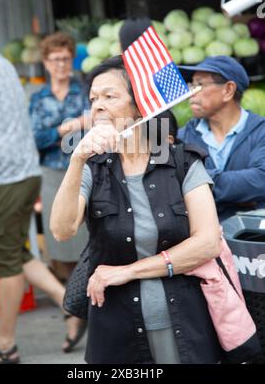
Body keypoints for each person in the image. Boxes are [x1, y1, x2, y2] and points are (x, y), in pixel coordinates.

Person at [50, 55, 226, 364]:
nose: (97, 106)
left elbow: (207, 243)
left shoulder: (183, 162)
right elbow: (62, 230)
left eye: (109, 96)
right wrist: (76, 159)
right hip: (117, 330)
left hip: (186, 322)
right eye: (93, 99)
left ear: (140, 106)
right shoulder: (92, 167)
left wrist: (127, 272)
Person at [0, 13, 74, 364]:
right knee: (13, 249)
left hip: (3, 179)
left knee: (3, 259)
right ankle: (69, 304)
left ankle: (6, 343)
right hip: (19, 174)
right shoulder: (1, 65)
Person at [29, 31, 89, 351]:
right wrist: (67, 127)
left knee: (87, 240)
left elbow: (97, 123)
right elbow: (34, 138)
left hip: (85, 170)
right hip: (52, 173)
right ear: (46, 62)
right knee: (59, 242)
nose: (61, 64)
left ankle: (86, 305)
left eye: (66, 58)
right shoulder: (38, 98)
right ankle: (75, 303)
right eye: (55, 59)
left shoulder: (85, 91)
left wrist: (82, 123)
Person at [178, 55, 265, 221]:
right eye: (191, 84)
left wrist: (197, 184)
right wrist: (242, 196)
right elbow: (172, 182)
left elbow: (261, 181)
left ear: (228, 90)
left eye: (200, 85)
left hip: (250, 239)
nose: (191, 93)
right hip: (203, 239)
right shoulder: (184, 135)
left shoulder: (261, 131)